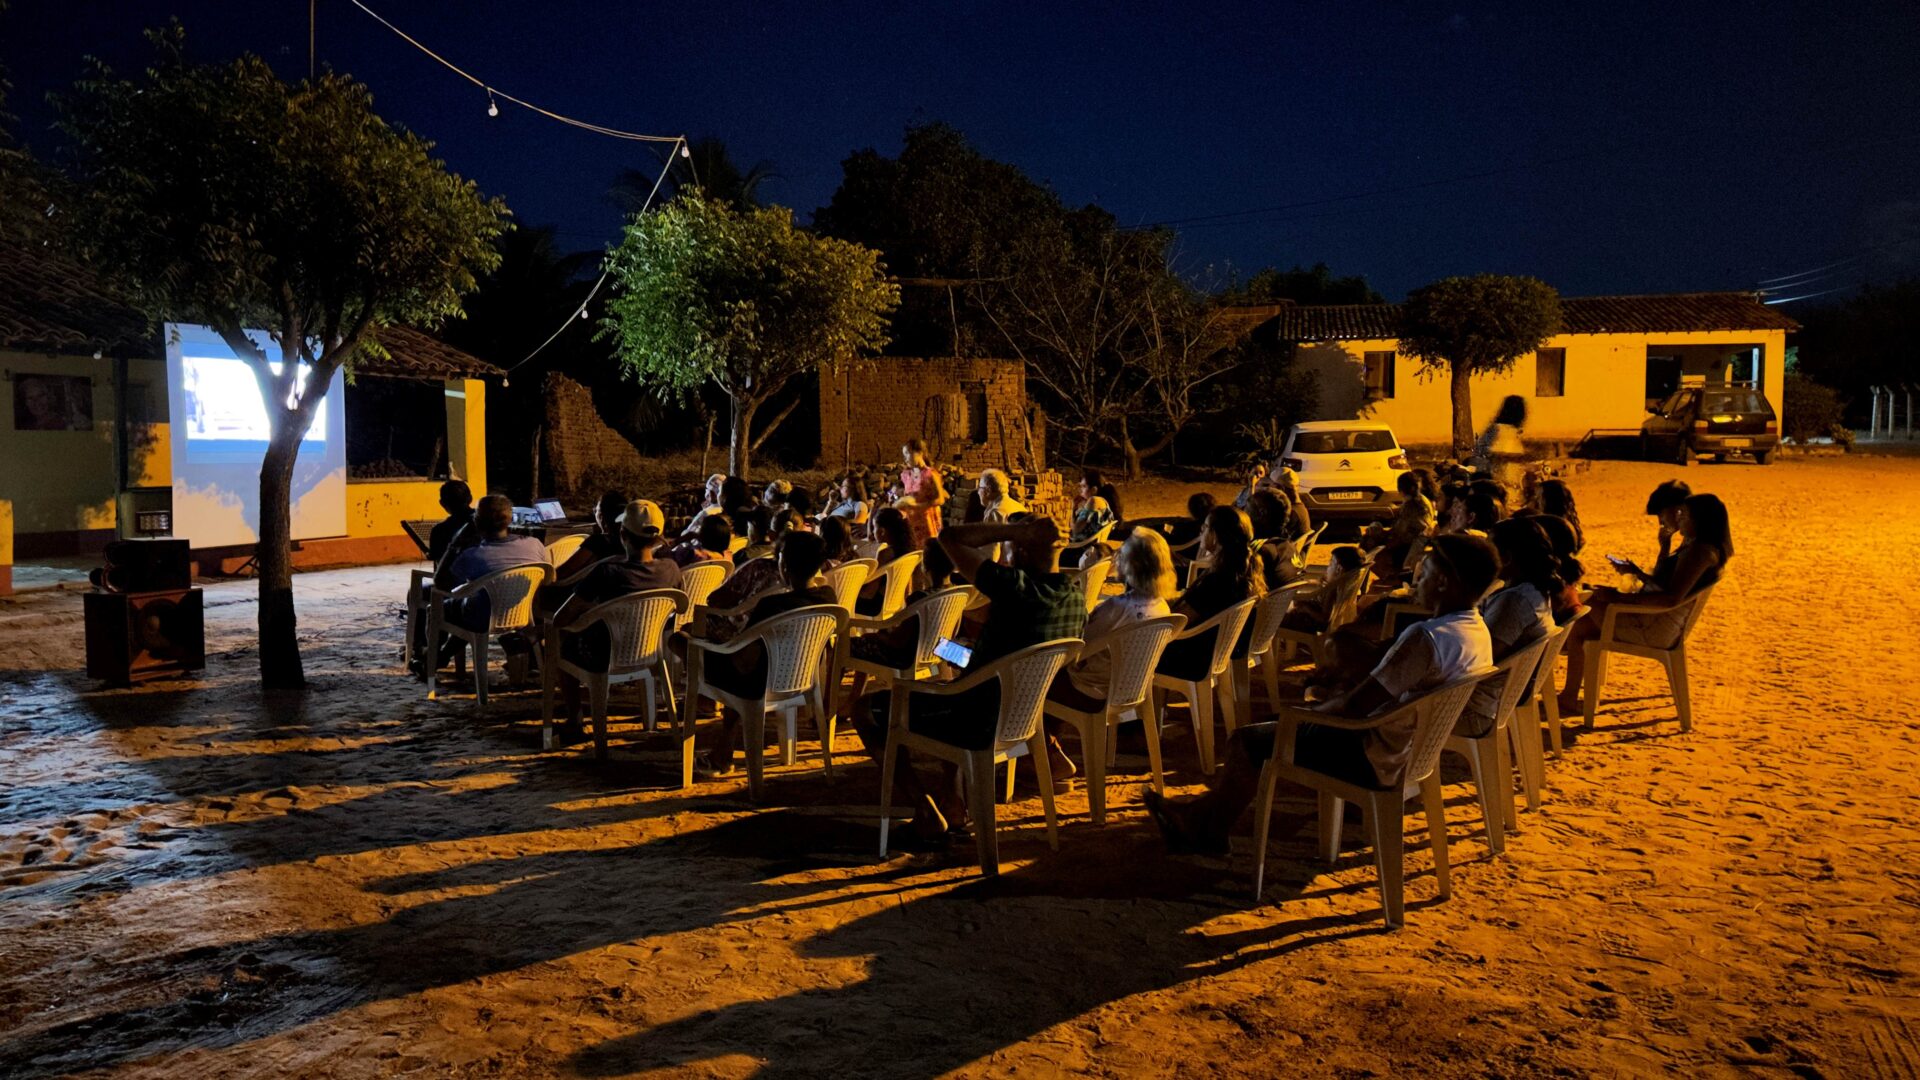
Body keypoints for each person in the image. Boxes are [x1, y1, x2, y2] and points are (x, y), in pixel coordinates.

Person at [1144, 534, 1501, 855]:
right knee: (1270, 728)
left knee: (1246, 741)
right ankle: (1198, 816)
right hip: (1406, 748)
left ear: (1443, 582)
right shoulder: (1473, 630)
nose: (1417, 580)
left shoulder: (1428, 638)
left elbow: (1354, 707)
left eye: (1424, 574)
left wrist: (1301, 715)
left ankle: (1209, 829)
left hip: (1372, 752)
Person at [851, 516, 1086, 845]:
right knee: (959, 679)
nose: (1003, 558)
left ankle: (923, 809)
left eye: (1007, 551)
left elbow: (950, 537)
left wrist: (1015, 531)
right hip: (1021, 715)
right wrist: (969, 653)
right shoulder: (1076, 601)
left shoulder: (1014, 588)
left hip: (974, 716)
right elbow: (1013, 654)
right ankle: (953, 800)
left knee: (864, 709)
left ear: (1021, 551)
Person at [1558, 493, 1730, 714]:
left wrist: (1618, 598)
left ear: (1701, 520)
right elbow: (1663, 586)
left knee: (1586, 605)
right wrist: (1657, 554)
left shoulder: (1701, 552)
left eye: (1685, 515)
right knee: (1581, 625)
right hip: (1661, 618)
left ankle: (1555, 670)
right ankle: (1568, 696)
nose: (1680, 520)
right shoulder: (1697, 547)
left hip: (1658, 627)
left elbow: (1670, 598)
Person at [695, 530, 840, 774]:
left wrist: (709, 649)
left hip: (761, 682)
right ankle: (723, 751)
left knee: (689, 643)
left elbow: (744, 657)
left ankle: (719, 746)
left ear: (784, 564)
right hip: (802, 679)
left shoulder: (772, 606)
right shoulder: (828, 597)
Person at [548, 499, 682, 729]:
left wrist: (590, 613)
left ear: (623, 534)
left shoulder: (607, 571)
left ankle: (574, 719)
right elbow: (679, 607)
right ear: (658, 537)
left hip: (603, 654)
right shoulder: (671, 568)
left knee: (560, 639)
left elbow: (561, 618)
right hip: (649, 649)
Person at [1453, 518, 1561, 739]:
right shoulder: (1534, 591)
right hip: (1493, 700)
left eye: (1490, 549)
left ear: (1508, 558)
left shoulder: (1515, 603)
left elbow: (1481, 659)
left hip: (1475, 710)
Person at [1157, 506, 1267, 681]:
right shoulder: (1240, 569)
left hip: (1196, 657)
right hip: (1216, 649)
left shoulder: (1219, 580)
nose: (1201, 530)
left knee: (1139, 649)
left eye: (1206, 526)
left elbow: (1179, 622)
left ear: (1217, 536)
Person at [435, 494, 550, 632]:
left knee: (437, 609)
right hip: (523, 614)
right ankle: (446, 654)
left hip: (482, 620)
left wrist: (455, 544)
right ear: (510, 519)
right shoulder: (534, 544)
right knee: (470, 603)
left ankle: (430, 652)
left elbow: (441, 583)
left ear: (476, 521)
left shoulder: (473, 555)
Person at [1279, 546, 1368, 633]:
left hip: (1312, 624)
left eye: (1330, 564)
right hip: (1323, 620)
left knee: (1279, 618)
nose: (1327, 568)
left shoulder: (1333, 588)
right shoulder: (1345, 584)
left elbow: (1325, 618)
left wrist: (1305, 608)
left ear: (1338, 569)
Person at [855, 507, 917, 616]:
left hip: (876, 606)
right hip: (896, 603)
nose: (873, 531)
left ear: (882, 531)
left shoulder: (885, 554)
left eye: (874, 527)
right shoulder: (909, 550)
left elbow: (869, 593)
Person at [555, 490, 629, 580]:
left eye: (596, 510)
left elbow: (563, 572)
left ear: (601, 516)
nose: (594, 512)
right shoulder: (632, 543)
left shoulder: (598, 542)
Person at [1246, 490, 1307, 589]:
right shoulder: (1287, 546)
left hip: (1264, 603)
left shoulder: (1262, 552)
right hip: (1283, 603)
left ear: (1261, 513)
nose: (1245, 513)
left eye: (1247, 508)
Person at [1473, 395, 1528, 498]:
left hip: (1506, 483)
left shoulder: (1508, 431)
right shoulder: (1499, 430)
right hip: (1499, 483)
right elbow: (1494, 454)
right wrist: (1518, 458)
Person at [427, 479, 476, 568]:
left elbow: (436, 558)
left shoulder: (439, 531)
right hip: (490, 577)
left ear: (442, 503)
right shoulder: (489, 522)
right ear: (470, 498)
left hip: (458, 580)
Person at [897, 466, 947, 550]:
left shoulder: (930, 474)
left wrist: (917, 505)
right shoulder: (907, 474)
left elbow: (940, 500)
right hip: (914, 519)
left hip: (928, 517)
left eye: (907, 453)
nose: (906, 458)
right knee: (916, 548)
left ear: (919, 453)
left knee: (930, 548)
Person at [668, 512, 735, 569]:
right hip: (713, 583)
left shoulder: (694, 554)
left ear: (704, 534)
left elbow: (668, 557)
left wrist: (680, 540)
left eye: (701, 528)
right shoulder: (727, 557)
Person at [679, 474, 729, 540]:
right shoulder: (729, 511)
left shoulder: (707, 513)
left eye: (707, 490)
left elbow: (687, 535)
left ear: (711, 493)